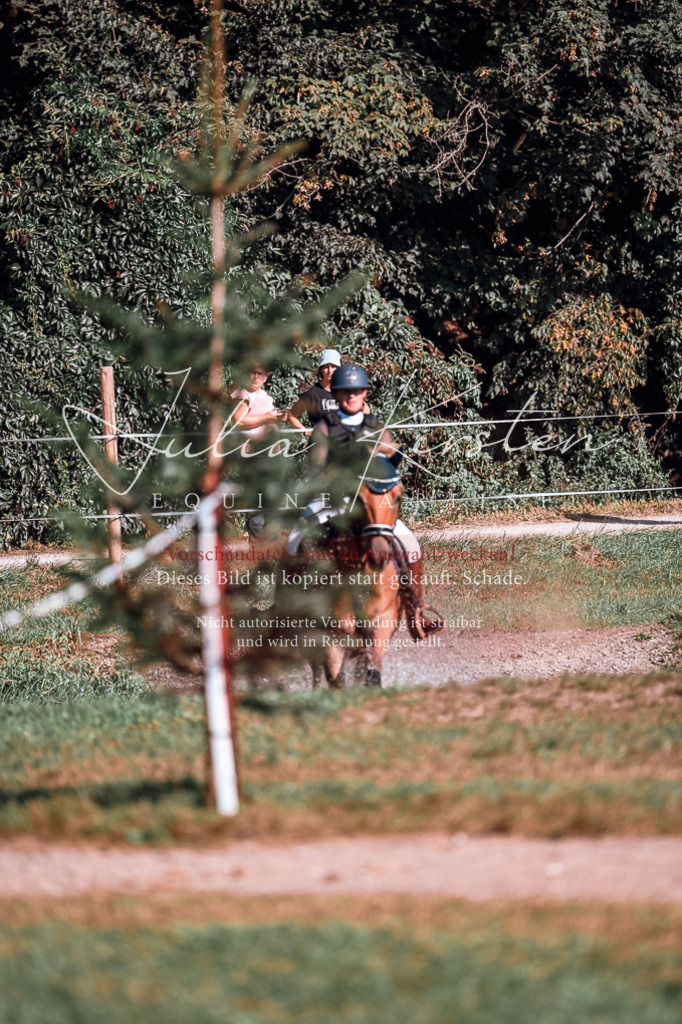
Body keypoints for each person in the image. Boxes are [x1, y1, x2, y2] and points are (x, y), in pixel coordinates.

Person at [302, 362, 444, 639]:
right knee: (295, 542)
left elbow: (389, 465)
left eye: (356, 391)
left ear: (364, 393)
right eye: (345, 391)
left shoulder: (376, 427)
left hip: (372, 502)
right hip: (333, 500)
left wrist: (384, 465)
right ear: (336, 394)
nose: (351, 396)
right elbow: (316, 470)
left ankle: (417, 613)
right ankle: (289, 610)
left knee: (411, 546)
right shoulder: (324, 428)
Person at [230, 364, 289, 539]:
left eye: (260, 373)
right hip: (254, 456)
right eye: (252, 372)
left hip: (271, 456)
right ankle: (258, 548)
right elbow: (238, 420)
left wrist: (277, 418)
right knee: (257, 506)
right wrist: (268, 418)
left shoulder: (263, 395)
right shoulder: (243, 393)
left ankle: (272, 545)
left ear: (266, 376)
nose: (255, 377)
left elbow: (266, 419)